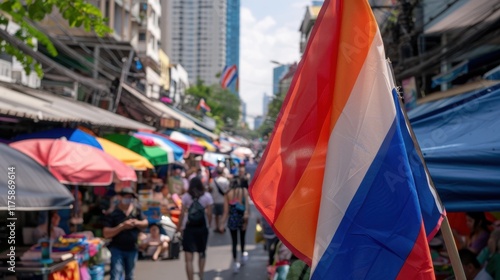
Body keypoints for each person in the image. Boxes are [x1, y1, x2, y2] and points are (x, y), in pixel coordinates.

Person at [103, 187, 149, 280]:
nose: (129, 200)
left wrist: (137, 223)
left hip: (132, 248)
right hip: (117, 248)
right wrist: (122, 227)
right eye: (127, 197)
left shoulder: (136, 210)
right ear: (120, 197)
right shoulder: (113, 213)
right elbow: (106, 233)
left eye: (131, 198)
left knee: (130, 275)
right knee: (115, 275)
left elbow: (145, 223)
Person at [178, 177, 213, 280]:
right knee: (202, 252)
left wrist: (179, 227)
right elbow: (210, 213)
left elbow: (182, 213)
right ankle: (201, 275)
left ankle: (190, 278)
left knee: (188, 258)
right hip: (202, 227)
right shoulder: (207, 196)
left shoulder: (186, 197)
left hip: (189, 228)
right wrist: (209, 224)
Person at [220, 178, 250, 273]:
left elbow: (225, 211)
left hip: (232, 219)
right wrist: (246, 218)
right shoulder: (244, 191)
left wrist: (221, 223)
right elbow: (247, 207)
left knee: (234, 241)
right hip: (242, 219)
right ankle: (242, 256)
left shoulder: (227, 193)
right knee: (242, 238)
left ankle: (235, 263)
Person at [209, 166, 230, 233]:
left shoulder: (214, 181)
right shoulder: (226, 181)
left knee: (216, 215)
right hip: (223, 201)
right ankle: (222, 226)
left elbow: (210, 189)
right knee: (223, 215)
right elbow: (228, 190)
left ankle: (217, 227)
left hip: (215, 200)